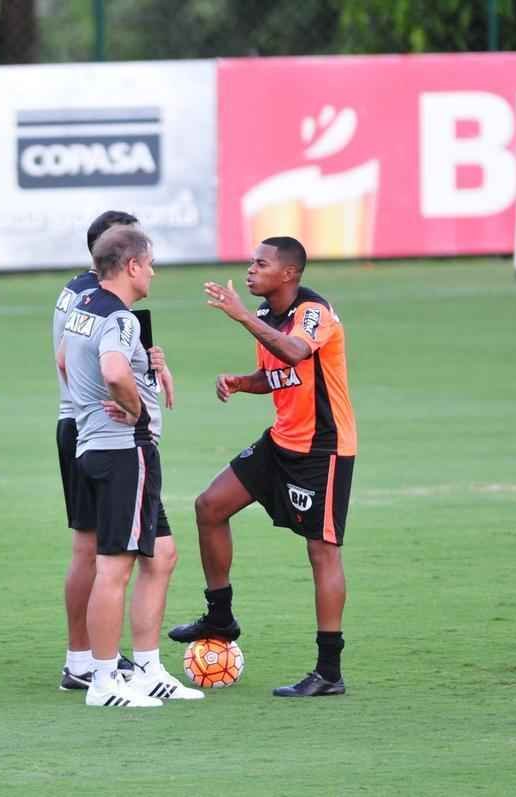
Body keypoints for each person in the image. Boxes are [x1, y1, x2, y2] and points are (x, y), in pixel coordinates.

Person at [169, 236, 357, 698]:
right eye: (251, 261)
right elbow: (281, 376)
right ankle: (221, 616)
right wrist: (242, 382)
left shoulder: (313, 312)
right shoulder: (269, 318)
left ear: (289, 274)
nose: (250, 270)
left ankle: (328, 671)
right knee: (210, 506)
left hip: (322, 450)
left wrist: (240, 315)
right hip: (281, 442)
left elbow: (296, 352)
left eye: (261, 263)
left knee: (322, 552)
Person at [59, 225, 200, 708]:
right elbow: (115, 371)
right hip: (125, 452)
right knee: (113, 567)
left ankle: (146, 667)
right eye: (151, 263)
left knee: (161, 555)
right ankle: (103, 682)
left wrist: (93, 401)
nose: (154, 272)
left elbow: (63, 361)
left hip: (97, 447)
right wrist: (134, 406)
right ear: (133, 266)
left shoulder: (83, 309)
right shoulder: (120, 318)